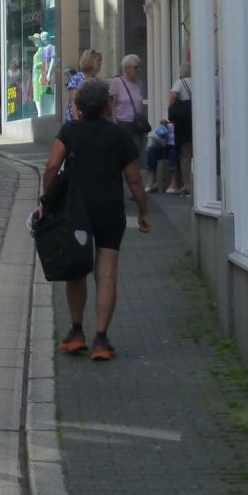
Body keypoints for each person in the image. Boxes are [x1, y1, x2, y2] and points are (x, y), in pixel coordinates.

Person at [42, 77, 150, 362]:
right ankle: (101, 339)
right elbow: (135, 180)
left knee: (77, 269)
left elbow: (52, 166)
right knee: (107, 272)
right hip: (110, 211)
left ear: (79, 107)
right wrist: (143, 212)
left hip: (76, 211)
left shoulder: (70, 131)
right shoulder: (119, 136)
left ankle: (76, 332)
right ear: (106, 105)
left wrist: (47, 202)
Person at [109, 55, 147, 146]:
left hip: (137, 124)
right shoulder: (116, 82)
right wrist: (114, 124)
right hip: (122, 124)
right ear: (127, 68)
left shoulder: (140, 84)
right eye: (136, 67)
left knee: (138, 151)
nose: (138, 70)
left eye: (139, 67)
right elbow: (111, 105)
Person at [167, 60, 193, 196]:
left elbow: (173, 96)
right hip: (194, 118)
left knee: (185, 154)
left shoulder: (180, 82)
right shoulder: (197, 81)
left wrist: (170, 109)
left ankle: (186, 184)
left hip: (183, 122)